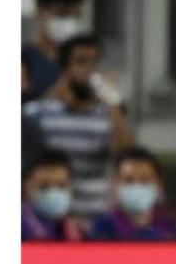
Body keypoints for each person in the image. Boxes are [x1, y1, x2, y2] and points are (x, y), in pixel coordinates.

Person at [23, 35, 134, 219]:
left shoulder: (108, 115)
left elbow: (127, 153)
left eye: (94, 62)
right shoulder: (39, 113)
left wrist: (112, 103)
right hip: (50, 217)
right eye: (81, 61)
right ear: (65, 68)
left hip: (95, 214)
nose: (88, 69)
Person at [89, 147, 176, 241]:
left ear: (159, 186)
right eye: (128, 180)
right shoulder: (102, 230)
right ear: (114, 185)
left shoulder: (171, 230)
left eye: (145, 180)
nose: (137, 186)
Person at [22, 0, 86, 101]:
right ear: (39, 12)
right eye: (61, 14)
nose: (69, 22)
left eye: (75, 16)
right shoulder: (25, 60)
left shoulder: (83, 59)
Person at [22, 150, 83, 242]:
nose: (53, 193)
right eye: (44, 186)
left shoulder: (76, 231)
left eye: (61, 186)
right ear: (27, 186)